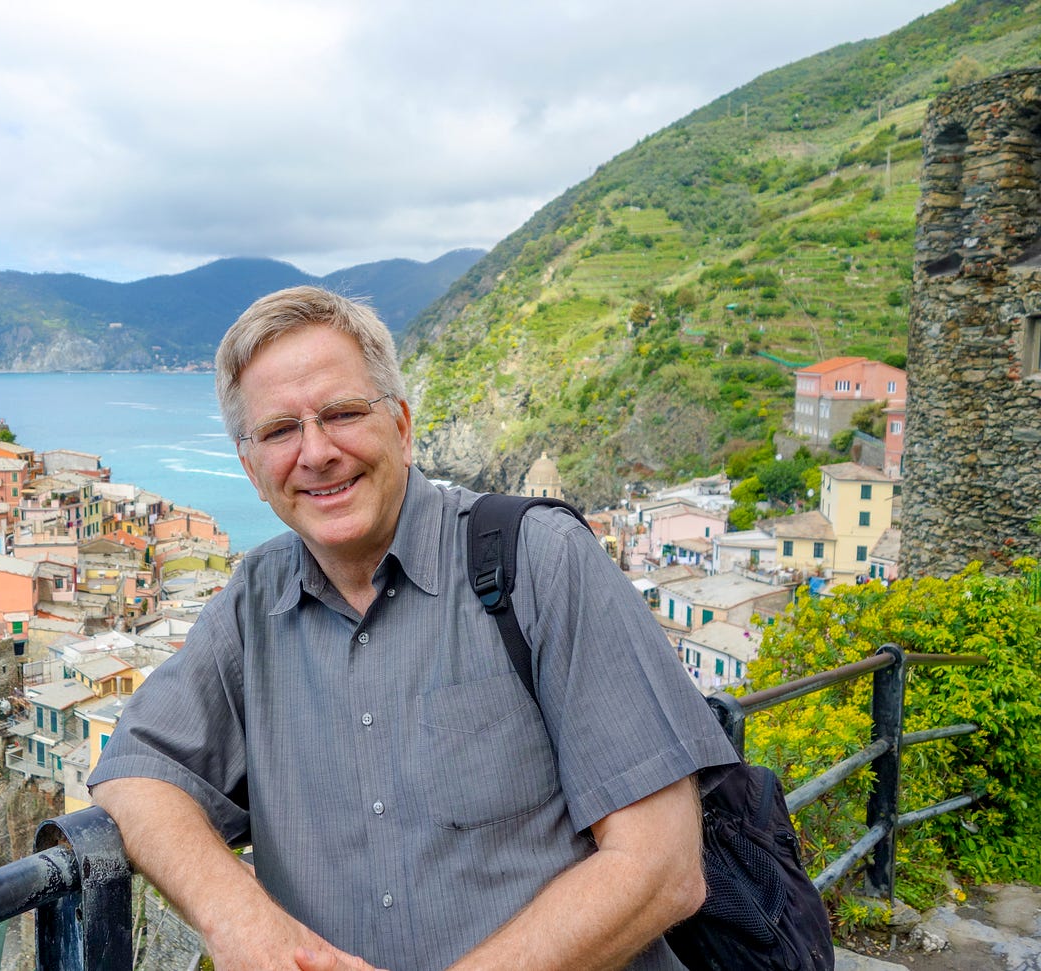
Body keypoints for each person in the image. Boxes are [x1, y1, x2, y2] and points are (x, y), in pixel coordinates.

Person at [89, 286, 738, 971]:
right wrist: (243, 923)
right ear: (252, 470)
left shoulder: (540, 562)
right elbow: (134, 772)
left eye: (341, 413)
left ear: (401, 425)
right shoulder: (253, 604)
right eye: (279, 431)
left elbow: (662, 864)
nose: (315, 452)